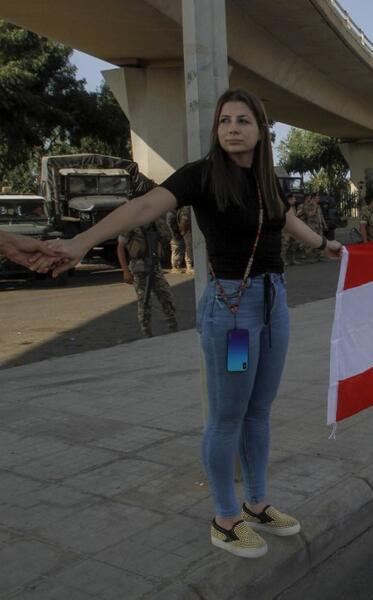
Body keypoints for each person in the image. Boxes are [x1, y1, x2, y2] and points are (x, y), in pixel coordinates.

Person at [44, 88, 343, 559]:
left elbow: (283, 220)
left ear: (261, 131)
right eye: (225, 120)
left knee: (259, 411)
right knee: (228, 415)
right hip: (235, 319)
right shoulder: (201, 176)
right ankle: (226, 518)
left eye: (243, 120)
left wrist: (322, 244)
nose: (232, 128)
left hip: (273, 308)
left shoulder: (266, 181)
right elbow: (142, 208)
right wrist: (82, 242)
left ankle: (258, 503)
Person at [117, 218, 179, 337]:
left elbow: (168, 237)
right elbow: (120, 247)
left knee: (166, 297)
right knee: (144, 301)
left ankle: (174, 329)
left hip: (155, 266)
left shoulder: (156, 222)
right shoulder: (130, 224)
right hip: (139, 267)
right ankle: (146, 332)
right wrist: (125, 271)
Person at [300, 193, 327, 261]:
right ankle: (308, 255)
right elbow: (309, 214)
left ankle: (319, 256)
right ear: (313, 198)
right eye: (317, 198)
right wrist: (314, 208)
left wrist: (324, 224)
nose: (319, 199)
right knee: (311, 240)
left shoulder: (318, 205)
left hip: (318, 225)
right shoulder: (310, 205)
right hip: (312, 225)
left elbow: (321, 215)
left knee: (320, 240)